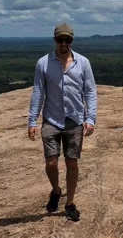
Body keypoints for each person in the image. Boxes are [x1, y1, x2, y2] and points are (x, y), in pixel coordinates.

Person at [27, 22, 97, 222]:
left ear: (72, 40)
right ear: (54, 40)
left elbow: (90, 92)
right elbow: (38, 92)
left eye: (68, 40)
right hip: (52, 118)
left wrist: (90, 118)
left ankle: (70, 203)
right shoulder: (43, 63)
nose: (64, 43)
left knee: (72, 162)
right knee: (51, 163)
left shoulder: (83, 63)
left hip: (74, 119)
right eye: (60, 39)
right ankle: (56, 190)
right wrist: (32, 121)